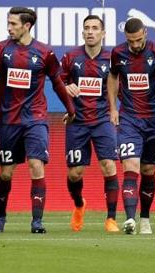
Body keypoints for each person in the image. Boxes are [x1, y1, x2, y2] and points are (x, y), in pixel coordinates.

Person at [0, 7, 76, 234]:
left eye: (13, 24)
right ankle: (0, 218)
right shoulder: (1, 49)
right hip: (9, 119)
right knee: (6, 173)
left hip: (35, 118)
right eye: (8, 23)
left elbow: (57, 83)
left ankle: (37, 222)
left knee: (36, 166)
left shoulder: (44, 53)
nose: (9, 28)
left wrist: (70, 108)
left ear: (27, 26)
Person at [107, 17, 155, 235]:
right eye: (131, 41)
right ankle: (130, 219)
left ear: (145, 33)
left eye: (138, 40)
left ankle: (145, 218)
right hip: (129, 119)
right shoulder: (118, 53)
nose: (135, 45)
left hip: (154, 120)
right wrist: (113, 108)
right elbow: (112, 78)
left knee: (148, 170)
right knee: (130, 167)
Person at [60, 15, 119, 233]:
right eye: (86, 28)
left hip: (103, 119)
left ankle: (111, 219)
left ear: (103, 33)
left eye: (95, 28)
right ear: (82, 32)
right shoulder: (71, 57)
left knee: (109, 165)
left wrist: (115, 110)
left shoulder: (113, 59)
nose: (90, 32)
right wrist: (66, 89)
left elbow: (120, 86)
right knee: (75, 173)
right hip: (78, 121)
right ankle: (78, 204)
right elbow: (59, 81)